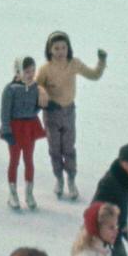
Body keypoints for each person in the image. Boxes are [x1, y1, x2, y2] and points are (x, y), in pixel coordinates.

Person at [36, 31, 106, 201]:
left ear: (69, 48)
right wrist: (44, 95)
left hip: (69, 112)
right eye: (56, 48)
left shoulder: (74, 64)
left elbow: (94, 75)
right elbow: (36, 86)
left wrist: (101, 62)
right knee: (54, 148)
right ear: (50, 50)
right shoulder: (45, 69)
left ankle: (71, 180)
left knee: (68, 147)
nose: (60, 51)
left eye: (63, 47)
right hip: (52, 114)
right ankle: (59, 178)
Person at [1, 55, 47, 211]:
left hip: (29, 128)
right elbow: (5, 112)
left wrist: (42, 105)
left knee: (29, 159)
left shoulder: (35, 87)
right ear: (18, 71)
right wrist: (6, 129)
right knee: (14, 160)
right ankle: (12, 193)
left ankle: (29, 193)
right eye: (27, 71)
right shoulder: (10, 89)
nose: (31, 74)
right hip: (15, 128)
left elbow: (35, 106)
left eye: (33, 71)